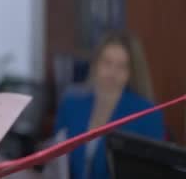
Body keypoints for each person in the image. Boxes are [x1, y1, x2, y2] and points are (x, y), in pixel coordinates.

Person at [53, 31, 165, 179]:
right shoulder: (71, 104)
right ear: (96, 64)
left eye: (121, 66)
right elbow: (55, 162)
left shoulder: (148, 115)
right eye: (107, 62)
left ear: (131, 72)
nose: (112, 73)